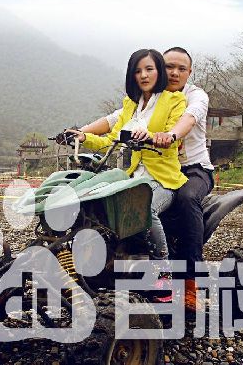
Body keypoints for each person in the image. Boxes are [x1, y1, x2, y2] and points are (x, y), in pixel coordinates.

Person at [80, 47, 213, 312]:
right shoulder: (139, 101)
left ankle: (187, 282)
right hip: (144, 172)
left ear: (189, 72)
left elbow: (188, 120)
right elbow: (114, 123)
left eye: (181, 69)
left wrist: (169, 135)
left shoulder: (190, 97)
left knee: (186, 200)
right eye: (169, 66)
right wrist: (80, 133)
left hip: (191, 168)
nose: (174, 73)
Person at [67, 49, 187, 262]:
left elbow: (173, 137)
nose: (143, 75)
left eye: (149, 69)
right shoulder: (130, 105)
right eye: (137, 71)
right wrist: (84, 137)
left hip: (163, 179)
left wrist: (154, 137)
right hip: (133, 178)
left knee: (145, 210)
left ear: (159, 71)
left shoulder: (174, 100)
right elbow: (110, 141)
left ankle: (163, 270)